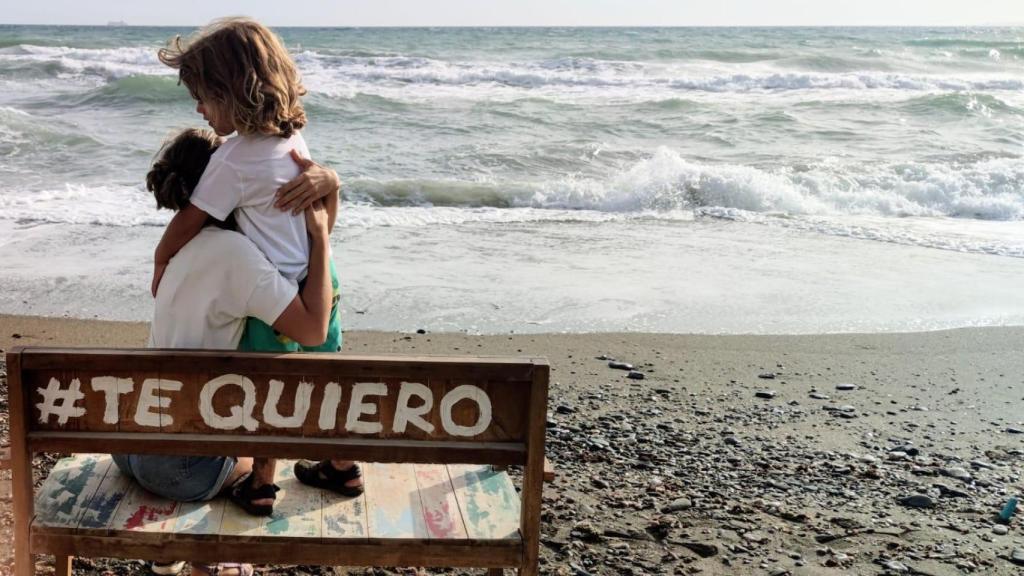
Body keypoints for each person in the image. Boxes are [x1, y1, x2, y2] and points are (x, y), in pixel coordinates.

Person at [149, 17, 363, 519]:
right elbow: (322, 224)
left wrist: (161, 259)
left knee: (265, 388)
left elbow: (191, 219)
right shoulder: (295, 144)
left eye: (203, 96)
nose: (198, 109)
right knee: (321, 375)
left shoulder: (233, 160)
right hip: (320, 279)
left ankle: (263, 484)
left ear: (232, 89)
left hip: (278, 295)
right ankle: (343, 464)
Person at [115, 128, 337, 576]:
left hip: (129, 445)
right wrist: (320, 237)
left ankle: (179, 549)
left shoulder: (180, 247)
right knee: (269, 456)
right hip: (180, 468)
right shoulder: (238, 257)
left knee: (218, 418)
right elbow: (313, 330)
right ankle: (207, 554)